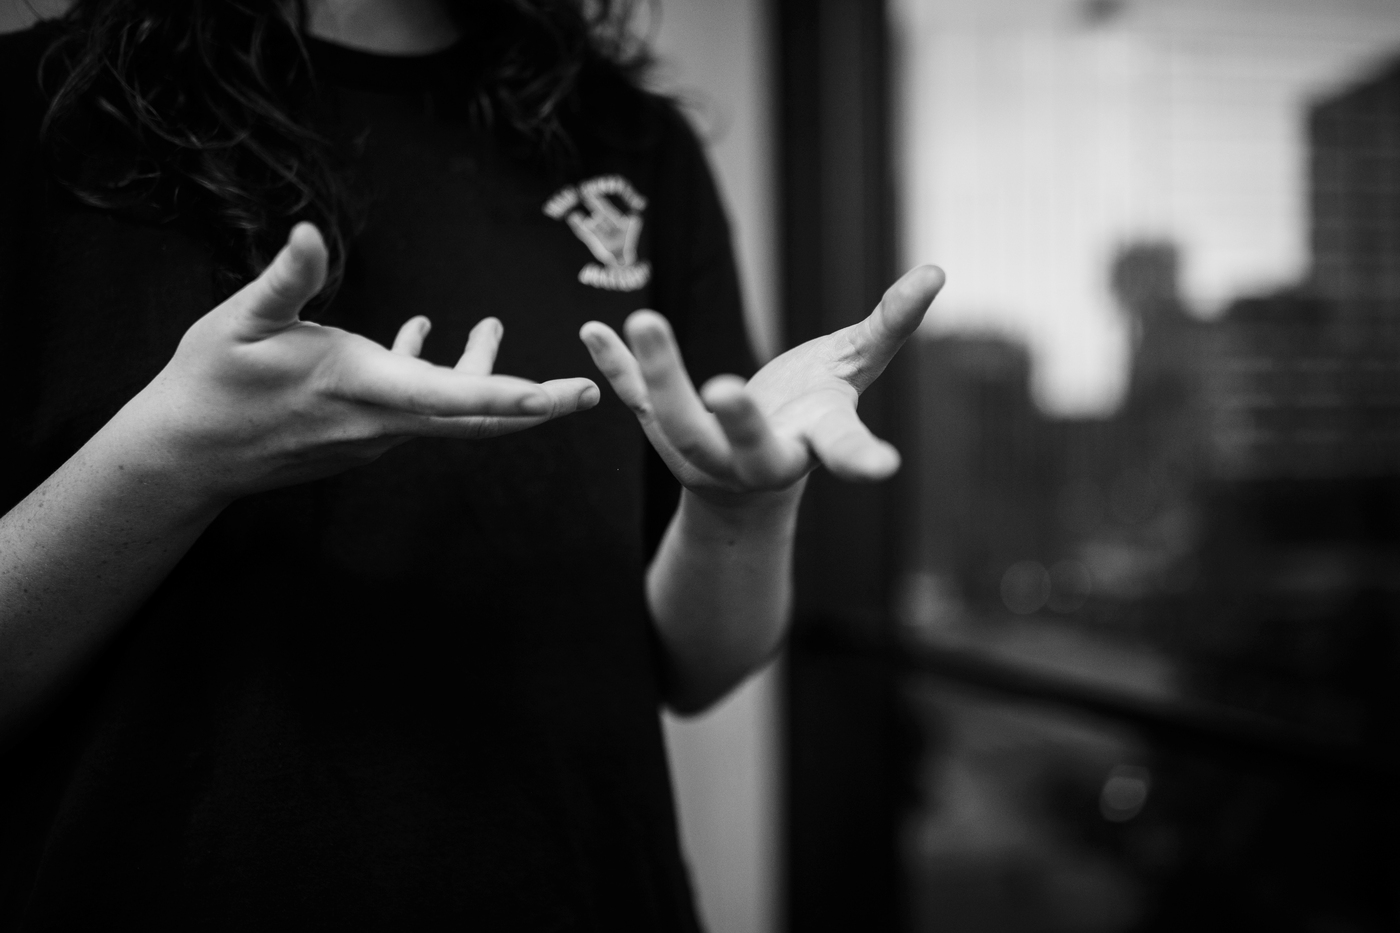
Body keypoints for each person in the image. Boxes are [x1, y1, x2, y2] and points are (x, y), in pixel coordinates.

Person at [0, 1, 944, 928]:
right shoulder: (33, 110)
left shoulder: (628, 141)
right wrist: (177, 454)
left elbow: (694, 669)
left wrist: (741, 510)